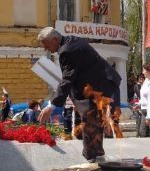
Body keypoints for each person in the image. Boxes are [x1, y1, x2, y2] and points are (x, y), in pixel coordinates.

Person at [37, 27, 121, 162]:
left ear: (54, 39)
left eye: (46, 45)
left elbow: (68, 79)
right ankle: (97, 155)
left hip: (98, 86)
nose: (46, 49)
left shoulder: (67, 51)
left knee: (90, 123)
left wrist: (51, 106)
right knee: (94, 122)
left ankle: (92, 160)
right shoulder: (71, 41)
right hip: (100, 84)